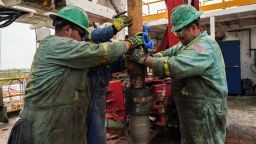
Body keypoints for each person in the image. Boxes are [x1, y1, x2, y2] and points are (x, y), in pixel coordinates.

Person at [7, 5, 143, 144]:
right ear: (67, 29)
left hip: (60, 123)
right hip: (42, 126)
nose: (83, 39)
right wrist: (128, 43)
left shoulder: (71, 56)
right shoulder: (55, 45)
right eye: (82, 34)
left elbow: (103, 60)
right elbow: (99, 52)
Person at [129, 4, 228, 144]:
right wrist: (148, 53)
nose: (178, 36)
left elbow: (175, 66)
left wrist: (143, 59)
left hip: (206, 112)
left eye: (180, 33)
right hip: (193, 111)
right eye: (176, 33)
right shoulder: (186, 44)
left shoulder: (204, 46)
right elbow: (166, 53)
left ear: (193, 27)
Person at [84, 15, 131, 144]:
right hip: (86, 92)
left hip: (98, 94)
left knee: (96, 131)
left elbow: (118, 63)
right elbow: (95, 36)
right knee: (91, 131)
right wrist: (114, 28)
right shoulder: (87, 40)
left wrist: (133, 56)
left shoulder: (108, 50)